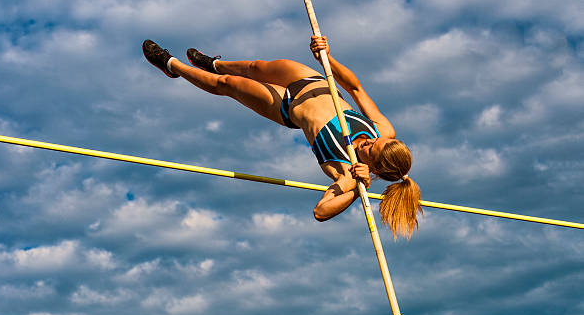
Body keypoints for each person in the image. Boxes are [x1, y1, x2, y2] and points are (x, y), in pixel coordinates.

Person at [142, 36, 422, 239]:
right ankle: (216, 63)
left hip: (287, 106)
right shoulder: (384, 131)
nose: (371, 141)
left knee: (228, 86)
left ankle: (172, 65)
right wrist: (326, 58)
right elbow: (355, 88)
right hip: (314, 81)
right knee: (254, 67)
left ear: (375, 166)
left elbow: (321, 212)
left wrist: (358, 187)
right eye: (377, 141)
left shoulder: (347, 173)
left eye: (371, 148)